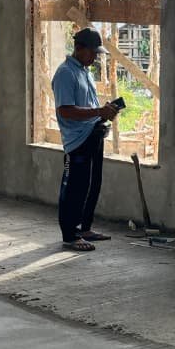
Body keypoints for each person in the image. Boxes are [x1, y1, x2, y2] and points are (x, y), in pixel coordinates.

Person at [52, 27, 118, 252]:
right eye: (92, 52)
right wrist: (98, 112)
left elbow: (88, 106)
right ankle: (70, 235)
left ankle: (85, 228)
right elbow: (65, 110)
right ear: (78, 48)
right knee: (74, 187)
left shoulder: (85, 72)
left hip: (92, 134)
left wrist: (103, 112)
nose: (94, 58)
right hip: (76, 141)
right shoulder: (65, 73)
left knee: (92, 184)